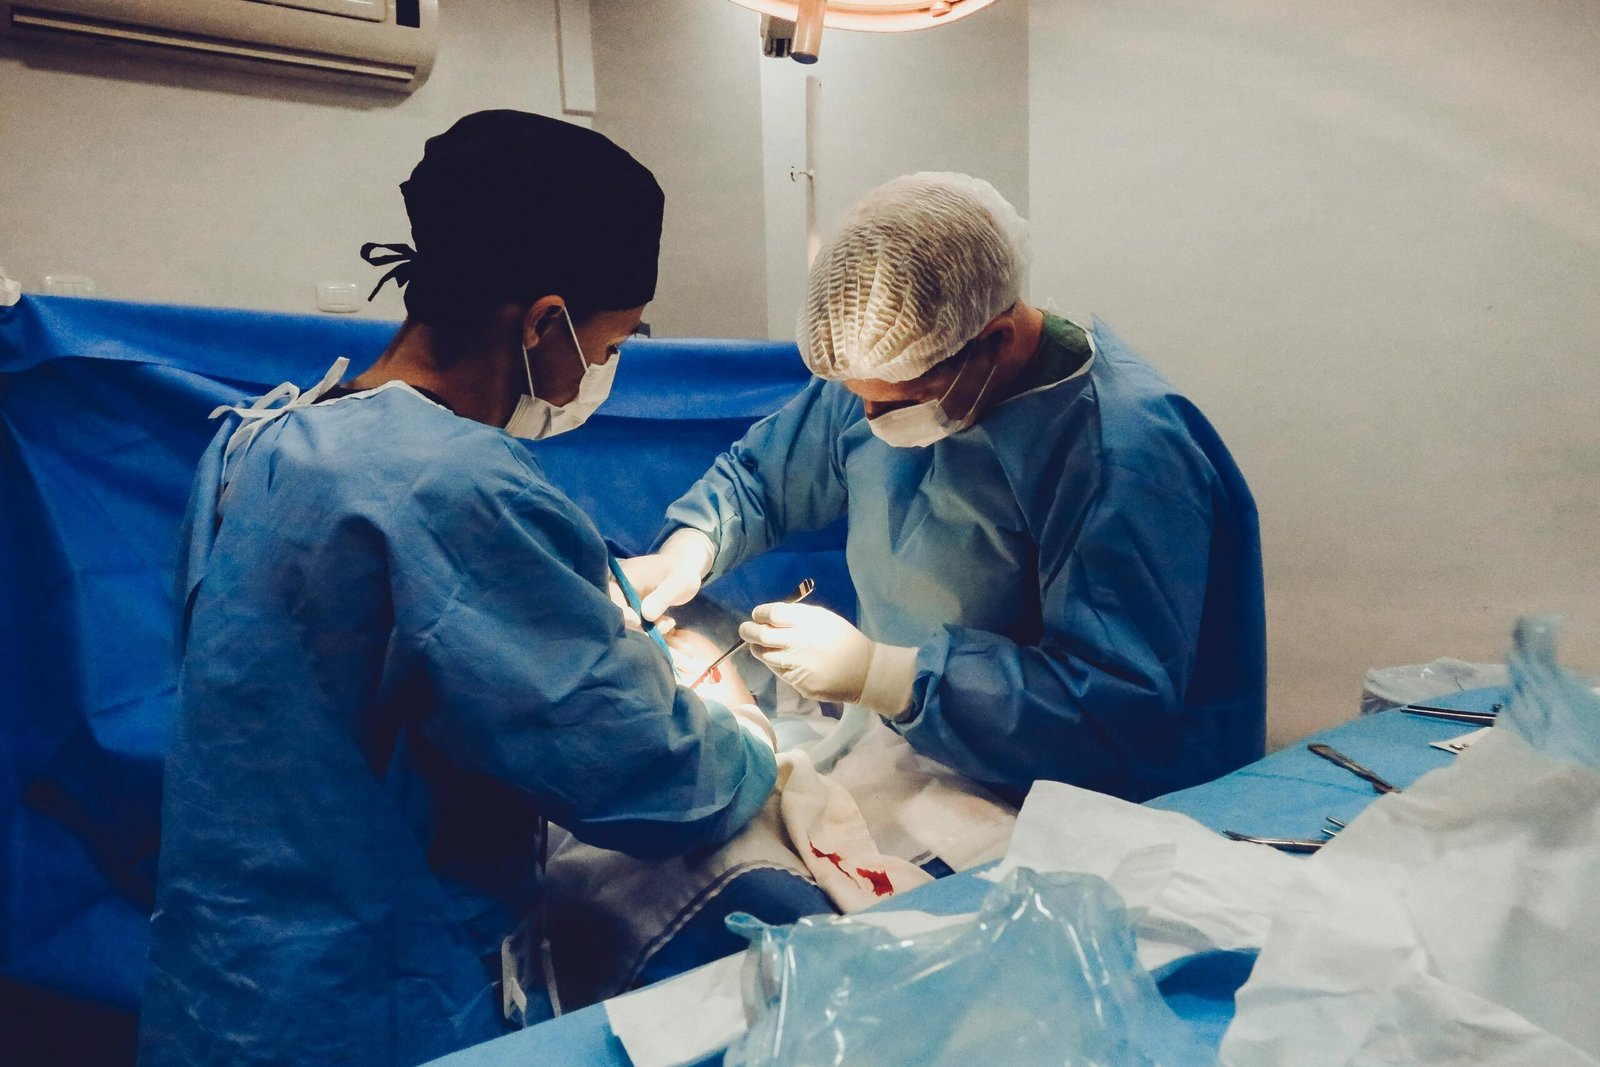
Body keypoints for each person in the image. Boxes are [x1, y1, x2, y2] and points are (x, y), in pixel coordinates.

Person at [138, 111, 777, 1067]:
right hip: (361, 1008)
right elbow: (643, 769)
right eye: (609, 345)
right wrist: (749, 742)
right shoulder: (456, 488)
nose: (602, 370)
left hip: (221, 986)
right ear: (546, 323)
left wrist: (566, 611)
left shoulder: (266, 438)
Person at [622, 172, 1265, 805]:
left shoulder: (1123, 453)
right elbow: (765, 477)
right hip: (918, 752)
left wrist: (885, 675)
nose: (870, 422)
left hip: (1079, 803)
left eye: (902, 401)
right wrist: (689, 549)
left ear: (996, 339)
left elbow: (1113, 709)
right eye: (858, 398)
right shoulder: (888, 365)